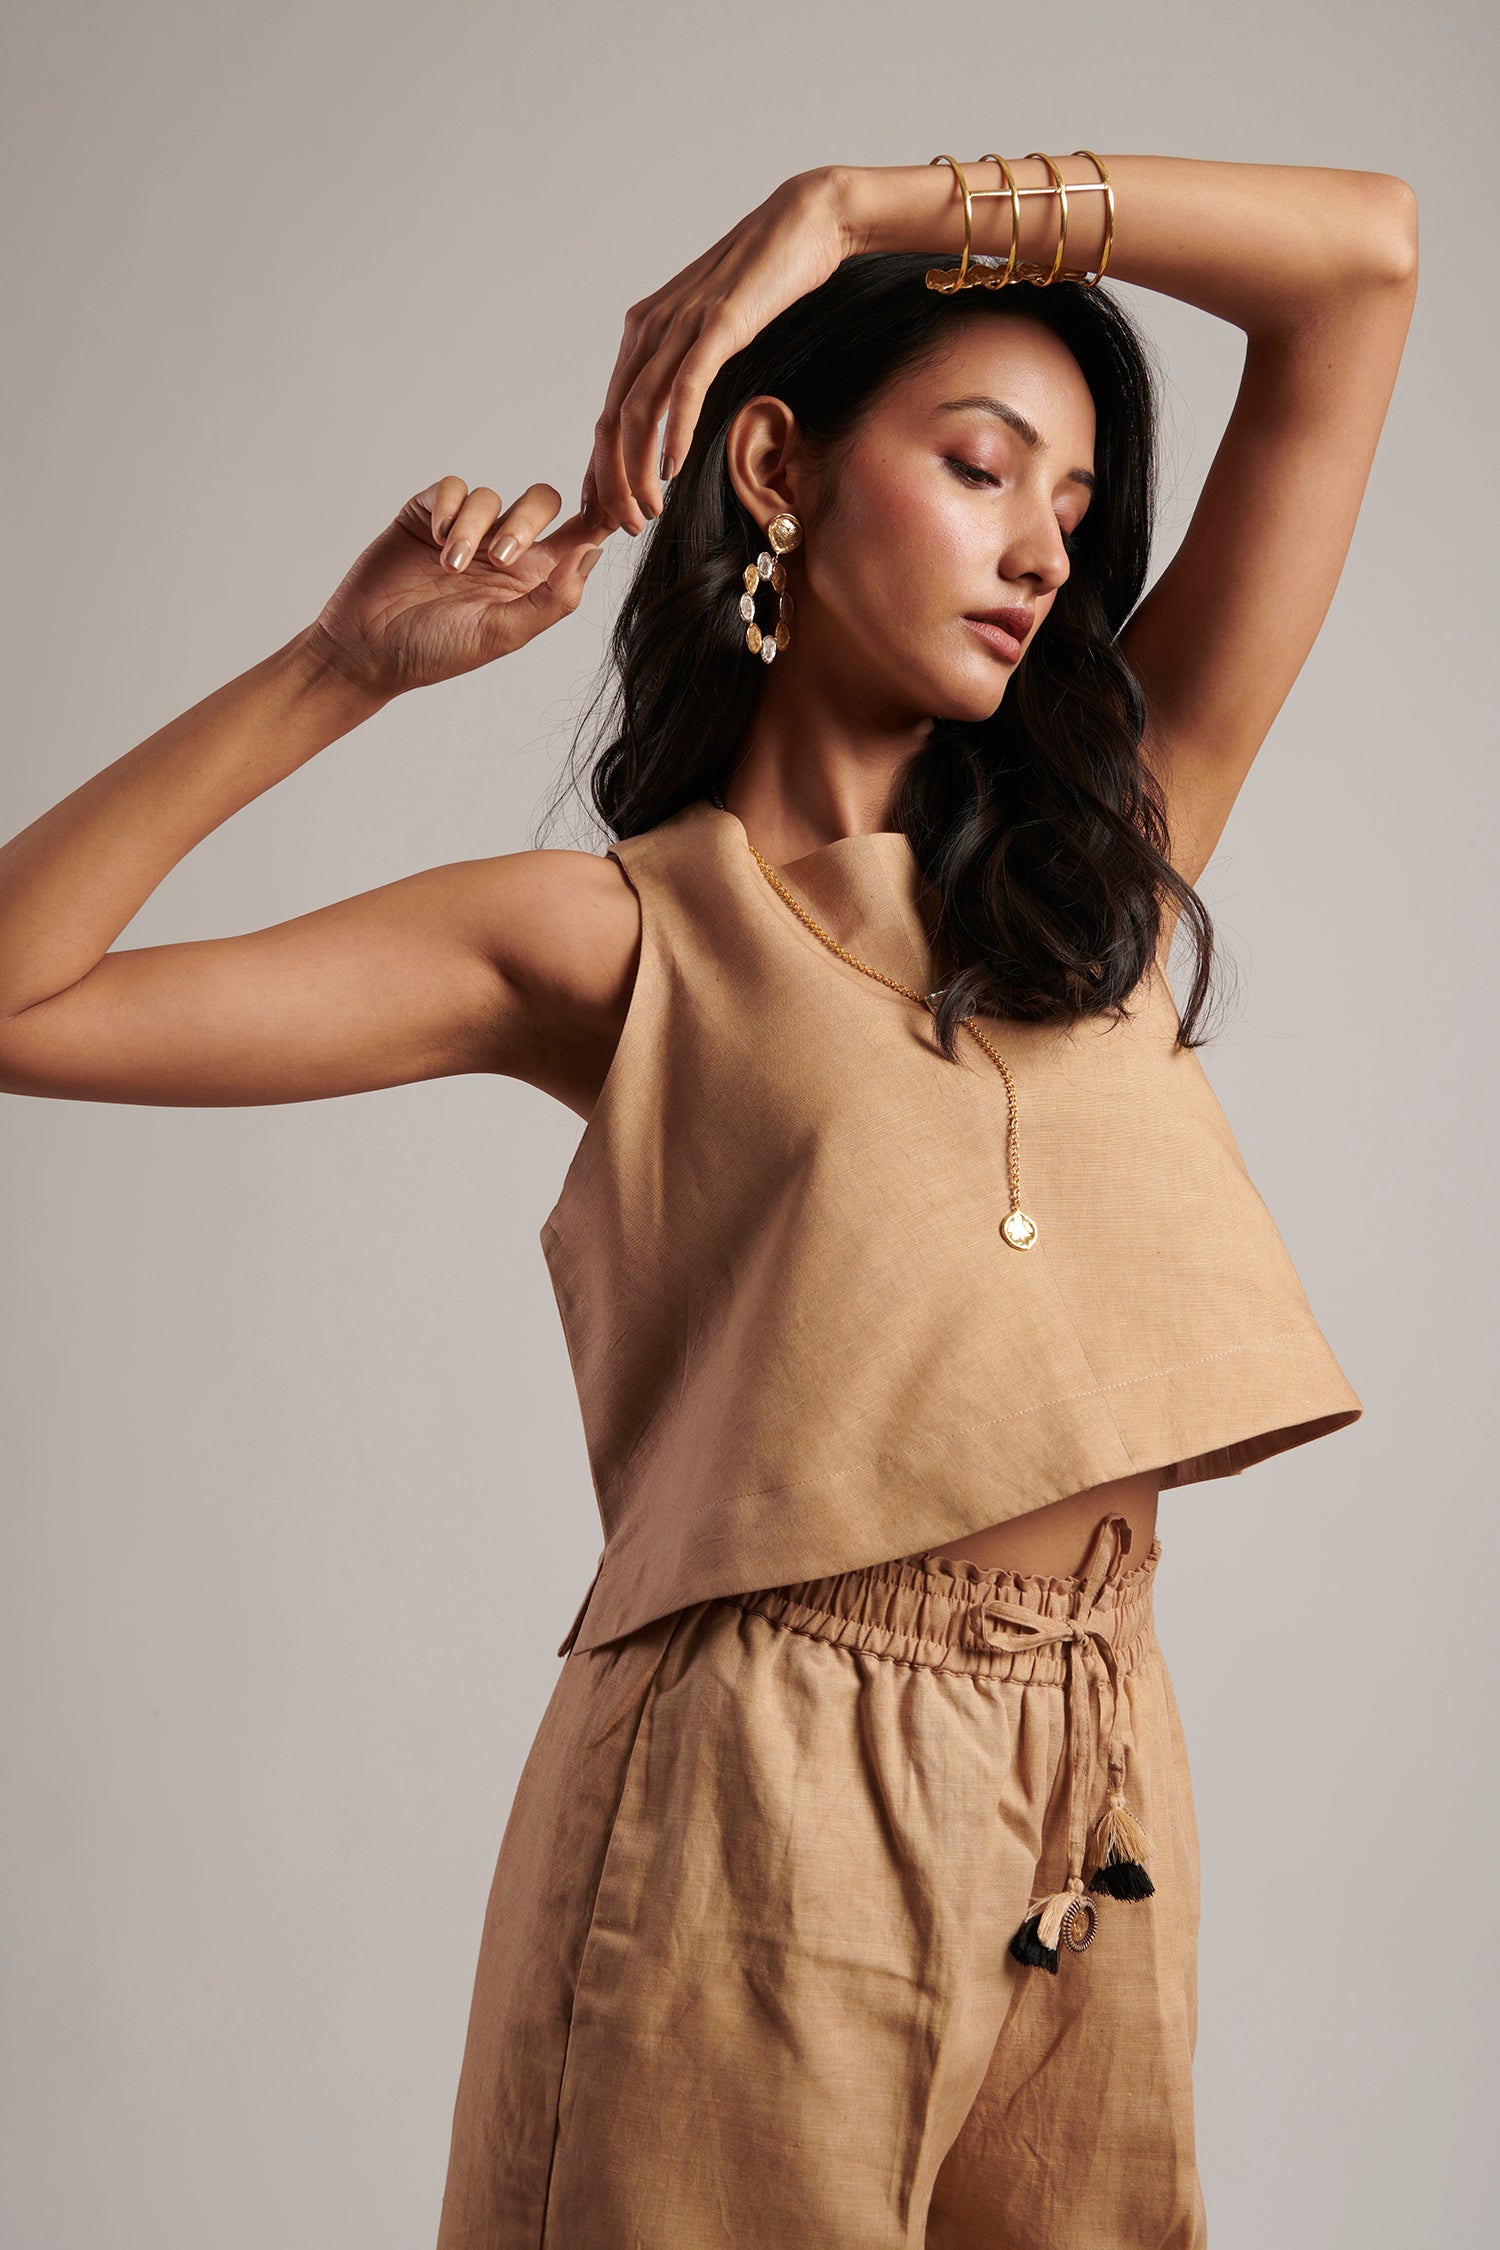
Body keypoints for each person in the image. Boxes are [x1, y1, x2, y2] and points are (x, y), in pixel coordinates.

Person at [0, 152, 1417, 2247]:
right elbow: (21, 996)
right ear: (776, 468)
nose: (1044, 547)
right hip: (761, 1784)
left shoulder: (1102, 860)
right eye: (979, 466)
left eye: (1071, 501)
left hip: (1103, 1766)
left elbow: (1364, 267)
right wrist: (339, 667)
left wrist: (866, 206)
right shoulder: (613, 937)